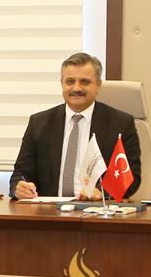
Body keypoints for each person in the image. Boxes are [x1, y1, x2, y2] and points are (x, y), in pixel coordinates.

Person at [9, 52, 143, 201]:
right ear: (62, 83)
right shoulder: (39, 123)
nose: (76, 88)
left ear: (98, 86)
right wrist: (18, 188)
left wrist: (102, 193)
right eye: (70, 81)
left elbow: (131, 177)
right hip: (49, 210)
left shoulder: (121, 124)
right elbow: (20, 173)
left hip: (94, 209)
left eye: (85, 82)